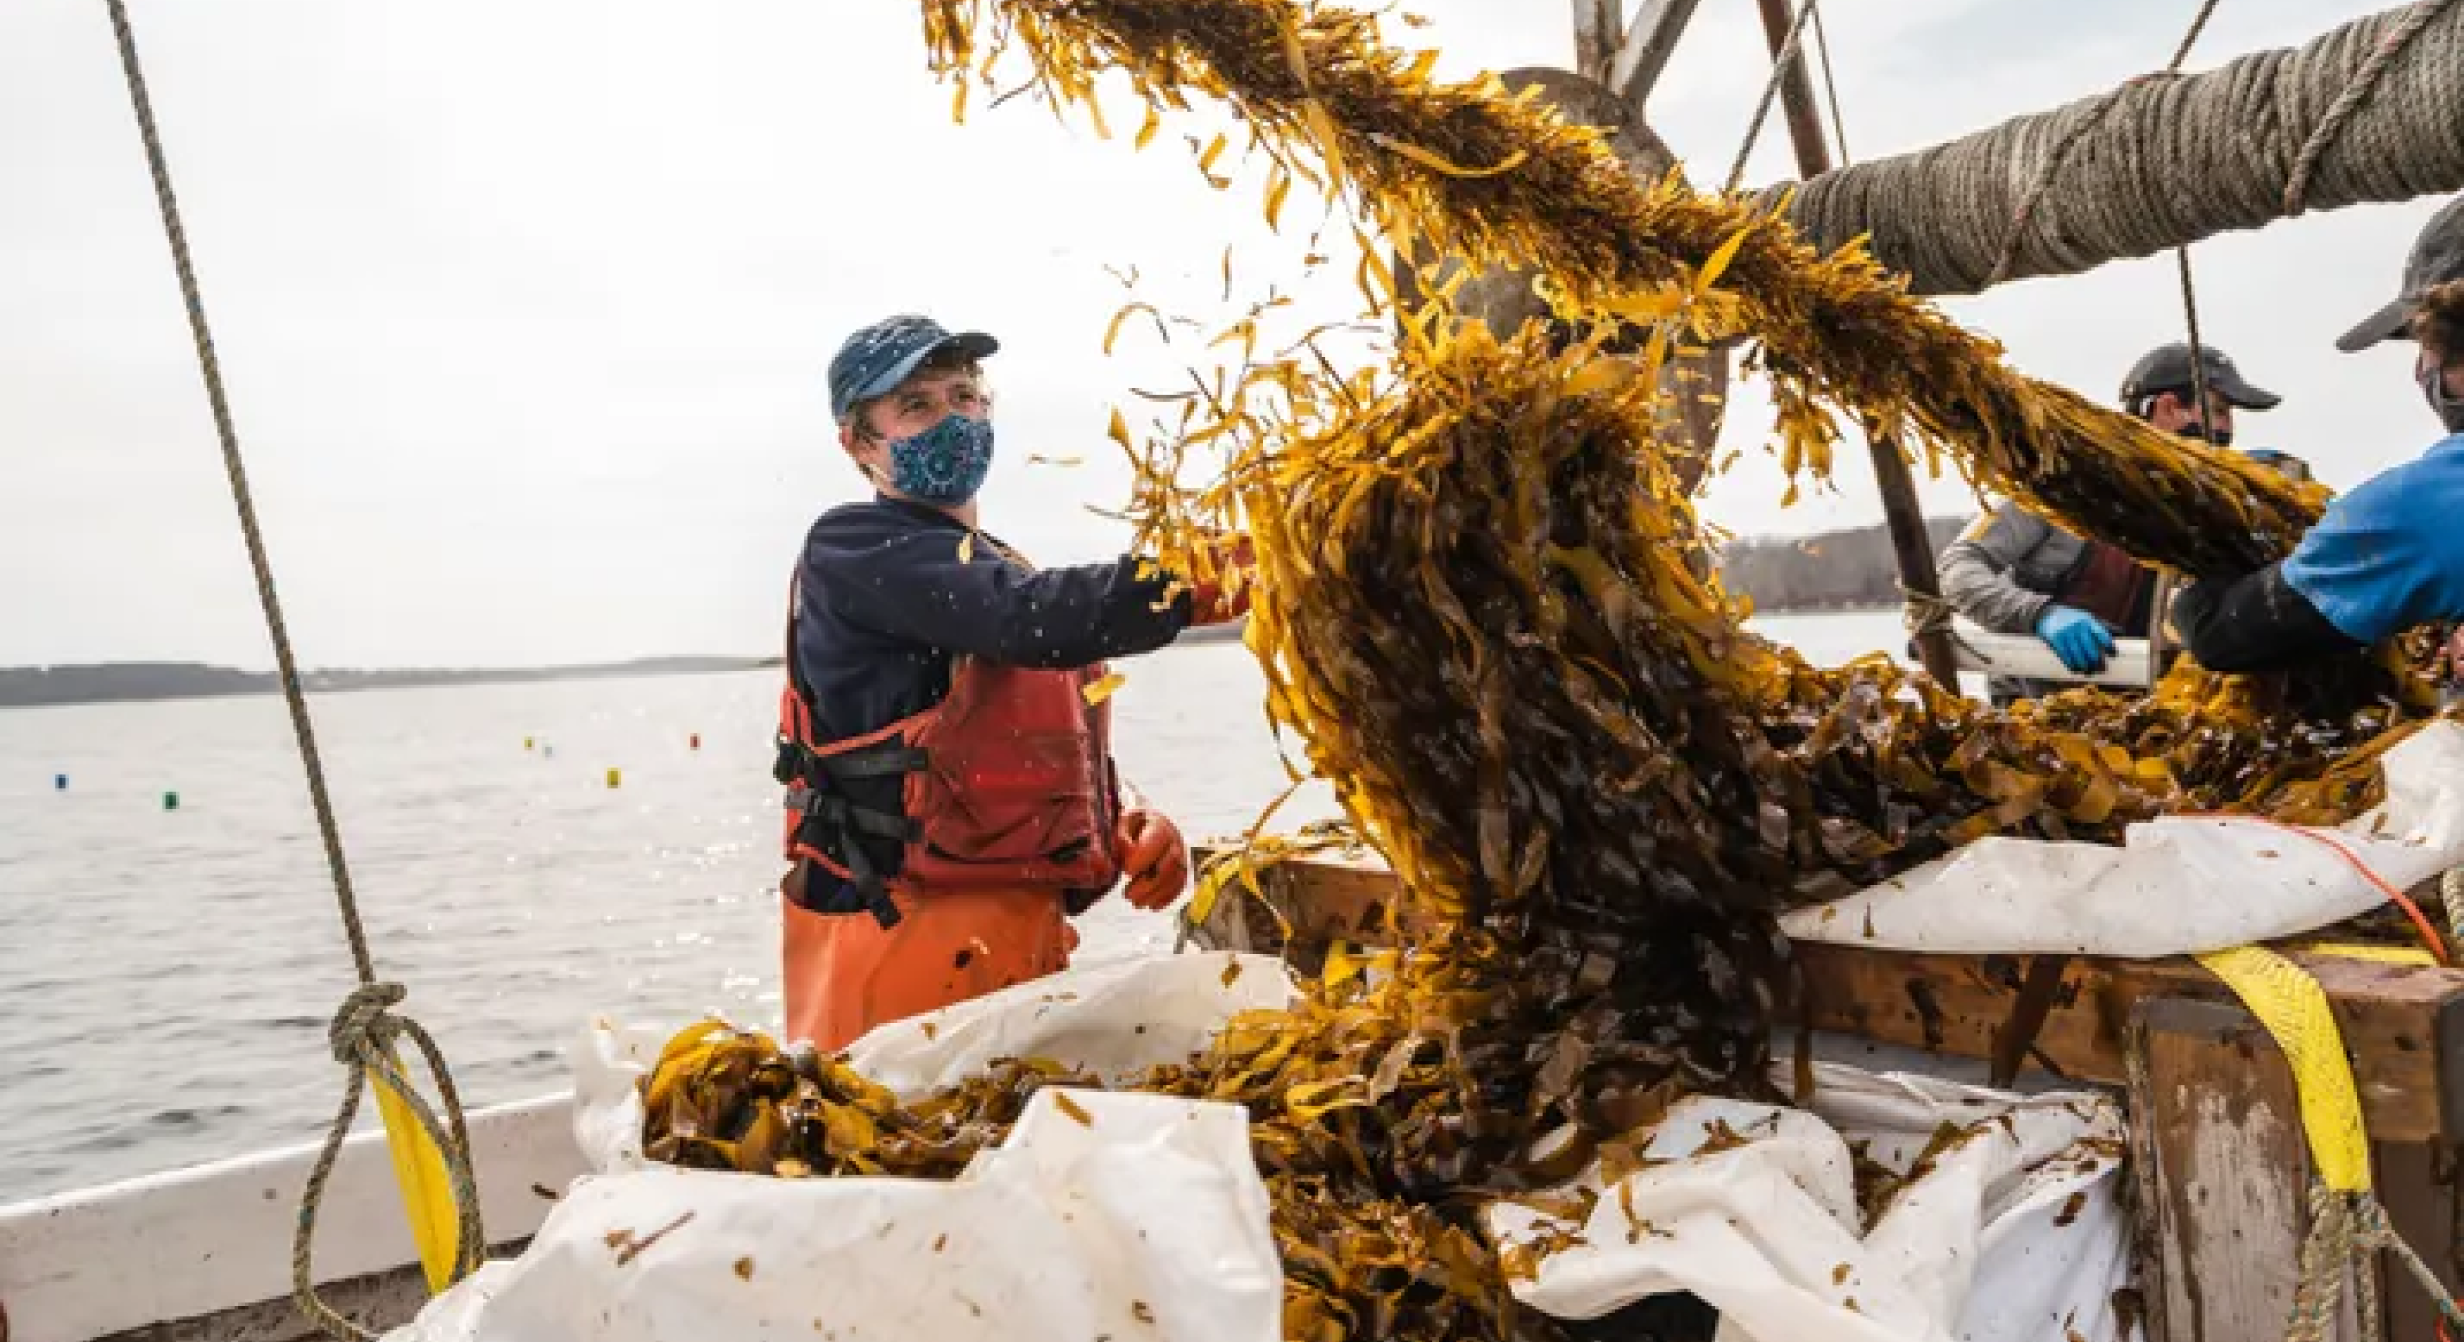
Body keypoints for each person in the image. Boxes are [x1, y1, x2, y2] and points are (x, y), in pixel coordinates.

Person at [773, 314, 1253, 1052]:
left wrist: (1125, 819)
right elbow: (1039, 619)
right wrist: (1209, 575)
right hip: (897, 955)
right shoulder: (853, 549)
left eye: (965, 395)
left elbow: (1021, 738)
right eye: (918, 406)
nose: (953, 419)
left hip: (1020, 948)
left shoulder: (994, 566)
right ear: (860, 444)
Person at [2171, 194, 2464, 676]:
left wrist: (2194, 546)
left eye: (2426, 346)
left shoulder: (2424, 505)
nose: (2419, 372)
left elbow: (2222, 636)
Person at [1936, 341, 2284, 702]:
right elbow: (1956, 568)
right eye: (2220, 411)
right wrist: (2039, 614)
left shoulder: (2209, 512)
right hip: (2039, 714)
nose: (2228, 429)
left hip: (2155, 715)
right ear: (2168, 408)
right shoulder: (2060, 491)